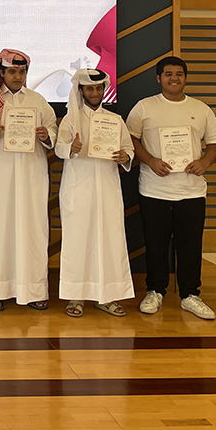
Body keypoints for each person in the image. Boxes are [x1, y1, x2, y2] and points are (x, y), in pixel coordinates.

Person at [126, 56, 216, 320]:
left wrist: (204, 162)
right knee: (155, 244)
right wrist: (150, 160)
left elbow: (215, 143)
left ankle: (190, 295)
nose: (174, 78)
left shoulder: (201, 109)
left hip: (191, 191)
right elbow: (131, 139)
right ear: (159, 78)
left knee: (190, 246)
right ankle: (155, 291)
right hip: (153, 189)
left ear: (185, 78)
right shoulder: (144, 107)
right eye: (168, 74)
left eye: (179, 74)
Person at [0, 49, 57, 311]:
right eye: (12, 72)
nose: (17, 77)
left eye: (22, 72)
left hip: (29, 175)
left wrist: (46, 135)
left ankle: (32, 289)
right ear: (1, 73)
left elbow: (53, 129)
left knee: (31, 229)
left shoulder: (37, 101)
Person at [55, 69, 135, 318]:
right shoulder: (70, 119)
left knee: (110, 240)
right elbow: (59, 148)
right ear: (80, 90)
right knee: (78, 241)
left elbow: (128, 148)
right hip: (78, 189)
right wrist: (71, 147)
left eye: (99, 88)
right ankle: (76, 296)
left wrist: (126, 156)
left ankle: (107, 296)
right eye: (90, 88)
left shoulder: (115, 119)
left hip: (108, 189)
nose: (95, 92)